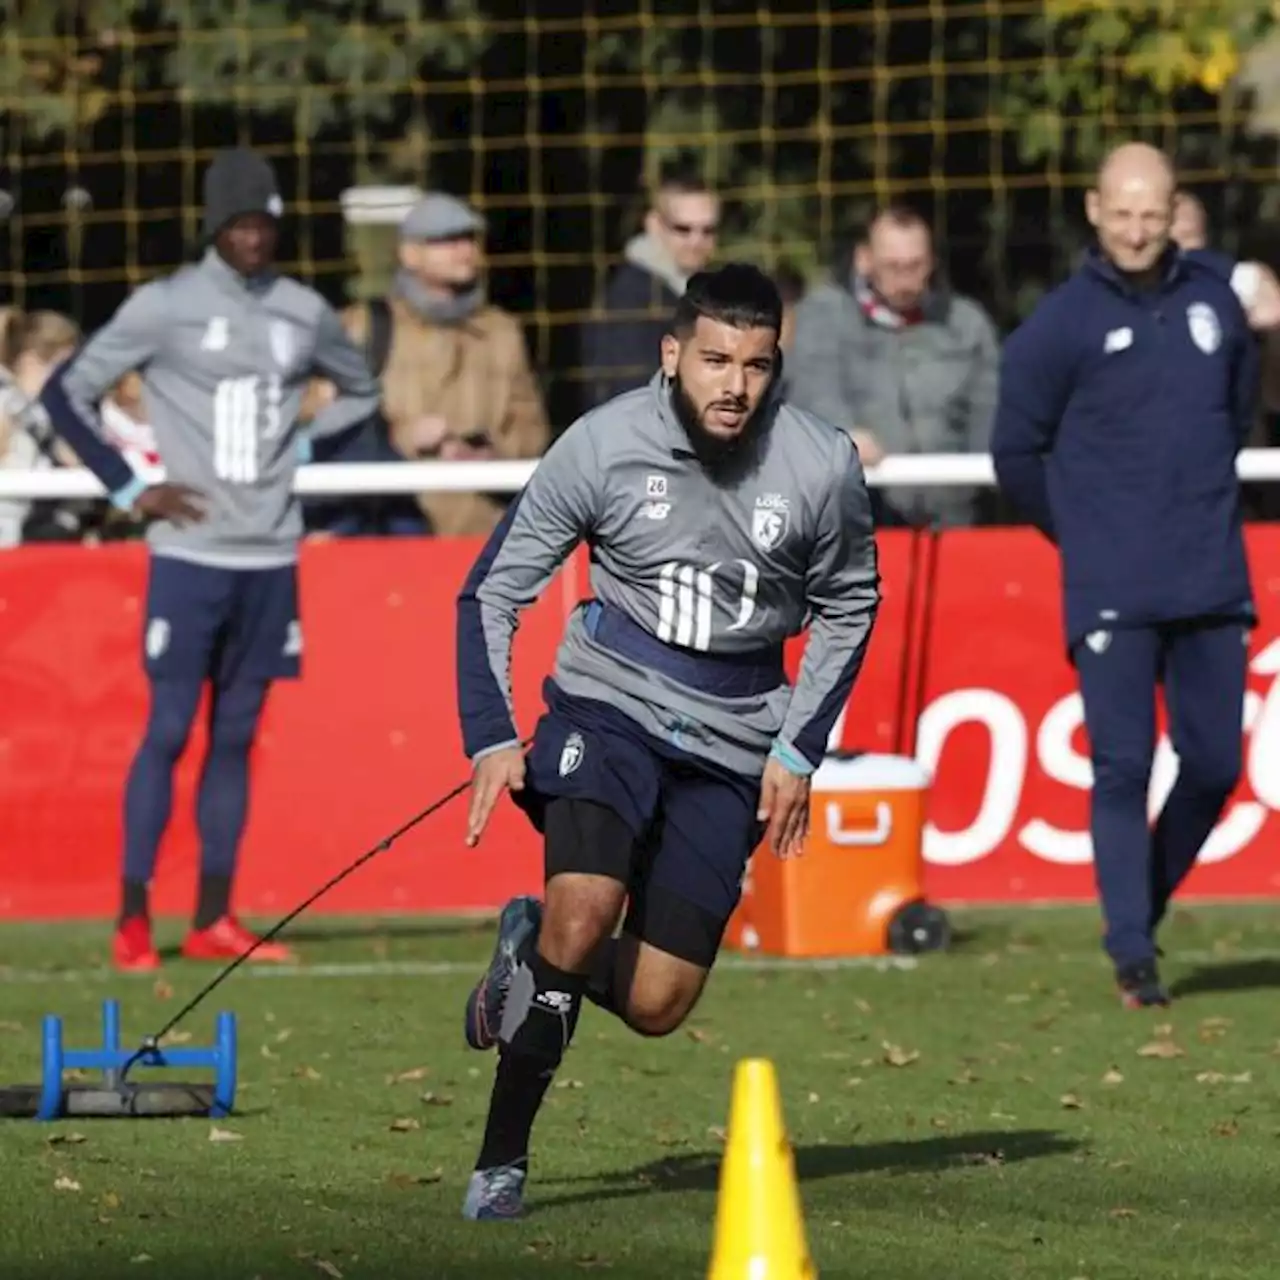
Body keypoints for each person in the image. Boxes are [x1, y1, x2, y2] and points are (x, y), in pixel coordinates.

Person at [453, 262, 881, 1219]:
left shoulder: (821, 465)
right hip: (608, 708)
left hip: (734, 738)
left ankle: (526, 950)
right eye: (716, 361)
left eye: (757, 366)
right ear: (672, 354)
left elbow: (850, 605)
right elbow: (494, 589)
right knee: (585, 908)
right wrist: (490, 735)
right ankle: (501, 1162)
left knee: (657, 1003)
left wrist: (799, 750)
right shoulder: (601, 446)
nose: (734, 386)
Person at [40, 147, 382, 971]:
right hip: (189, 555)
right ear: (213, 227)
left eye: (265, 223)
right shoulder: (164, 308)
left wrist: (305, 440)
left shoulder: (304, 310)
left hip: (269, 556)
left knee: (236, 737)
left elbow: (362, 389)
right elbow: (65, 393)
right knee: (166, 730)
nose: (255, 238)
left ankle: (213, 918)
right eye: (240, 224)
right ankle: (131, 916)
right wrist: (130, 488)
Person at [992, 142, 1258, 1009]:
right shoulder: (1058, 325)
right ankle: (1132, 951)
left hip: (1211, 568)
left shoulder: (1215, 301)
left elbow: (1239, 405)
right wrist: (1082, 531)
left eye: (1154, 212)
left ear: (1173, 210)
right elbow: (1014, 451)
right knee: (1121, 765)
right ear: (1095, 210)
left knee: (1216, 762)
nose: (1139, 229)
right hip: (1111, 582)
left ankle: (1139, 901)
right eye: (1124, 212)